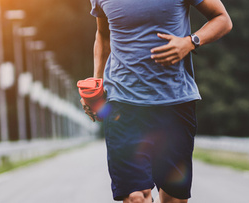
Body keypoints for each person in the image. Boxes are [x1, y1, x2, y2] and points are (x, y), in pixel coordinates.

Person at [81, 0, 232, 202]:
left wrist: (190, 41)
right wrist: (96, 82)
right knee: (136, 197)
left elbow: (222, 19)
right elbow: (103, 35)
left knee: (174, 199)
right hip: (123, 106)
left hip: (174, 104)